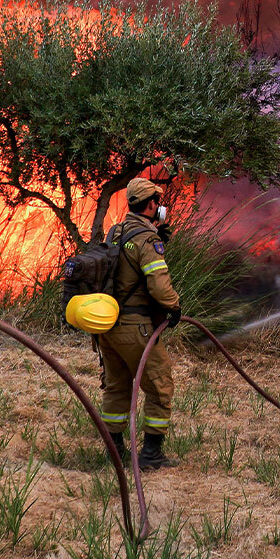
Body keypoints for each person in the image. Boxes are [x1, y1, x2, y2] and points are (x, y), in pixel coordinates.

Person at [96, 178, 182, 471]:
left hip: (107, 326)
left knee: (117, 387)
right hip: (136, 327)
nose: (159, 206)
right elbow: (158, 284)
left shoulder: (117, 231)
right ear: (150, 205)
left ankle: (115, 451)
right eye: (156, 202)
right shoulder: (147, 239)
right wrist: (174, 307)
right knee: (159, 387)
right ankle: (151, 454)